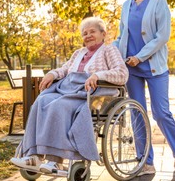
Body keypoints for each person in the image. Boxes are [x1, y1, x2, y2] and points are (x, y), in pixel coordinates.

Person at [11, 16, 129, 173]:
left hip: (93, 93)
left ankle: (55, 161)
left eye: (92, 31)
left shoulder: (109, 50)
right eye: (85, 33)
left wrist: (98, 75)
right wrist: (52, 74)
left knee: (59, 106)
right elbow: (65, 69)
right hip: (69, 89)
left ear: (103, 33)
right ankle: (34, 155)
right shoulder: (79, 52)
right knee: (41, 101)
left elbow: (122, 73)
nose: (88, 36)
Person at [113, 0, 175, 175]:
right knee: (138, 113)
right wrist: (111, 51)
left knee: (161, 113)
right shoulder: (126, 5)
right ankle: (146, 162)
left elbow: (162, 36)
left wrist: (140, 56)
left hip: (155, 67)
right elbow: (121, 36)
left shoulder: (159, 1)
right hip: (132, 69)